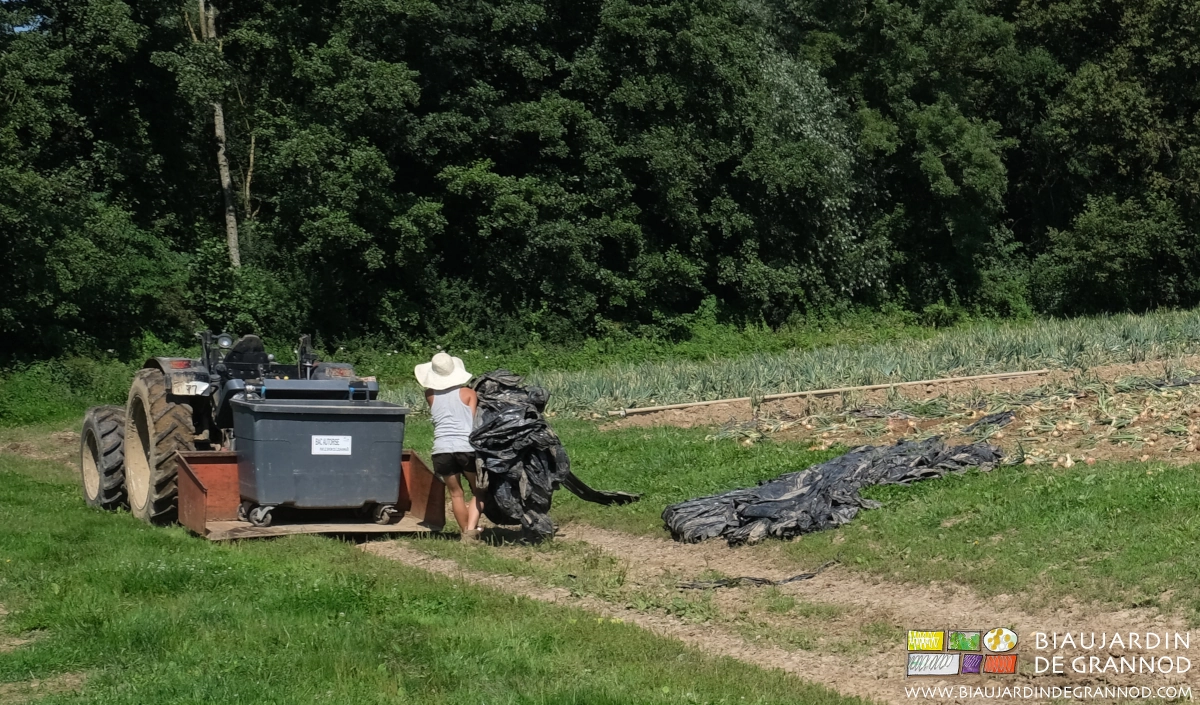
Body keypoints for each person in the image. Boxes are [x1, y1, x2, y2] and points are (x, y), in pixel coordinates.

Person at [415, 352, 485, 542]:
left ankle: (465, 534)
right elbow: (472, 419)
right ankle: (472, 529)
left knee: (456, 494)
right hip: (466, 447)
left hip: (441, 449)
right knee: (478, 490)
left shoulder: (429, 395)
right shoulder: (469, 393)